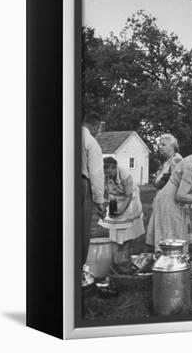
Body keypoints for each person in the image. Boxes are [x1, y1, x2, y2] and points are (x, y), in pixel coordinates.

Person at [145, 143, 192, 252]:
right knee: (170, 243)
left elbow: (191, 188)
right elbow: (181, 196)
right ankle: (167, 266)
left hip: (174, 203)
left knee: (178, 240)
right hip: (168, 203)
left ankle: (176, 264)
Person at [99, 157, 145, 264]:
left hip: (129, 200)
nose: (108, 175)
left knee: (127, 230)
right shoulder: (103, 175)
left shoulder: (126, 176)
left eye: (110, 172)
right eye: (106, 173)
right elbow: (102, 193)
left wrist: (120, 211)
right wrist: (102, 207)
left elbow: (128, 196)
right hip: (115, 198)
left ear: (115, 168)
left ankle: (125, 256)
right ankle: (116, 256)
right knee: (114, 227)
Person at [81, 112, 106, 275]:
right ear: (95, 126)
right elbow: (96, 173)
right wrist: (100, 201)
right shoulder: (90, 141)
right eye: (99, 128)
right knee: (81, 229)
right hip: (81, 183)